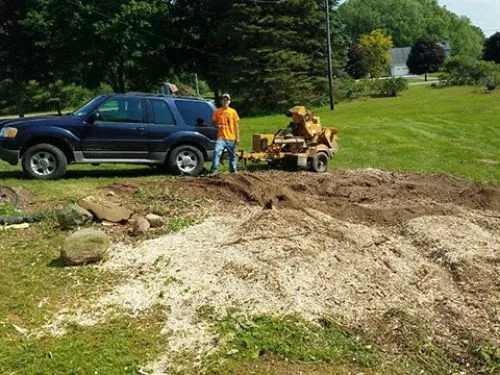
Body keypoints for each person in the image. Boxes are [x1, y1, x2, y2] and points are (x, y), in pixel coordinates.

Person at [210, 93, 240, 174]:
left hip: (231, 137)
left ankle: (233, 171)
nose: (225, 101)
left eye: (227, 100)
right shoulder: (217, 111)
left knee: (232, 155)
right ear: (221, 101)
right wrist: (218, 125)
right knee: (216, 152)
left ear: (229, 101)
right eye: (224, 100)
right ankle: (214, 171)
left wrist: (237, 138)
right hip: (221, 137)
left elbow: (236, 126)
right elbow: (213, 123)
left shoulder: (233, 112)